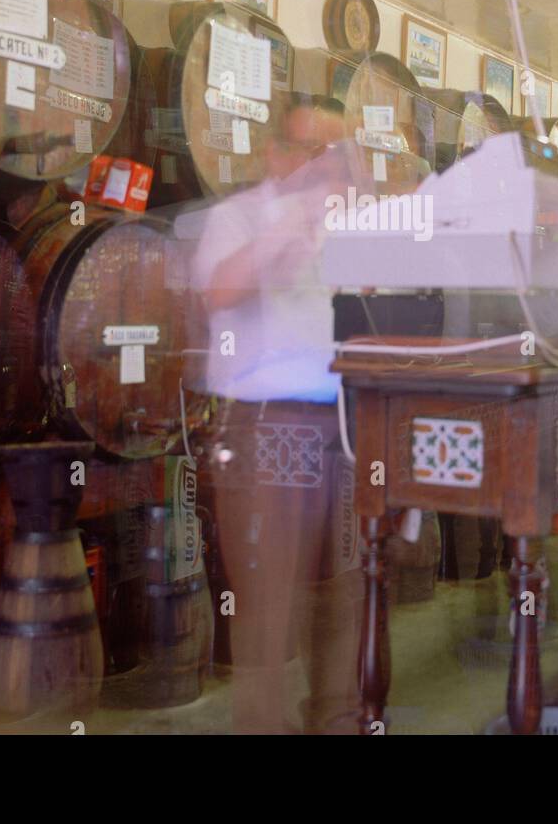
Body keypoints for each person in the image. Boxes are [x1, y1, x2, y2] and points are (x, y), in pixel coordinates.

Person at [192, 95, 363, 734]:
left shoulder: (346, 229)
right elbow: (222, 290)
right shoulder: (238, 217)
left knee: (343, 596)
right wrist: (294, 220)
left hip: (341, 426)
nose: (329, 168)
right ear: (277, 153)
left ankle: (339, 722)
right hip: (265, 429)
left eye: (337, 155)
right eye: (315, 152)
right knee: (268, 607)